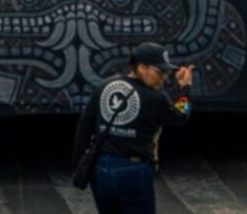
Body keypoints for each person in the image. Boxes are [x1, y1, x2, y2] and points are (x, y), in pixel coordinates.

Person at [72, 42, 193, 214]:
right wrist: (185, 89)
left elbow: (84, 127)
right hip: (134, 171)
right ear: (142, 67)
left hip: (101, 169)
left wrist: (78, 165)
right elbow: (181, 115)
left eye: (166, 73)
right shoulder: (155, 98)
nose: (164, 78)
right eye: (160, 72)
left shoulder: (105, 86)